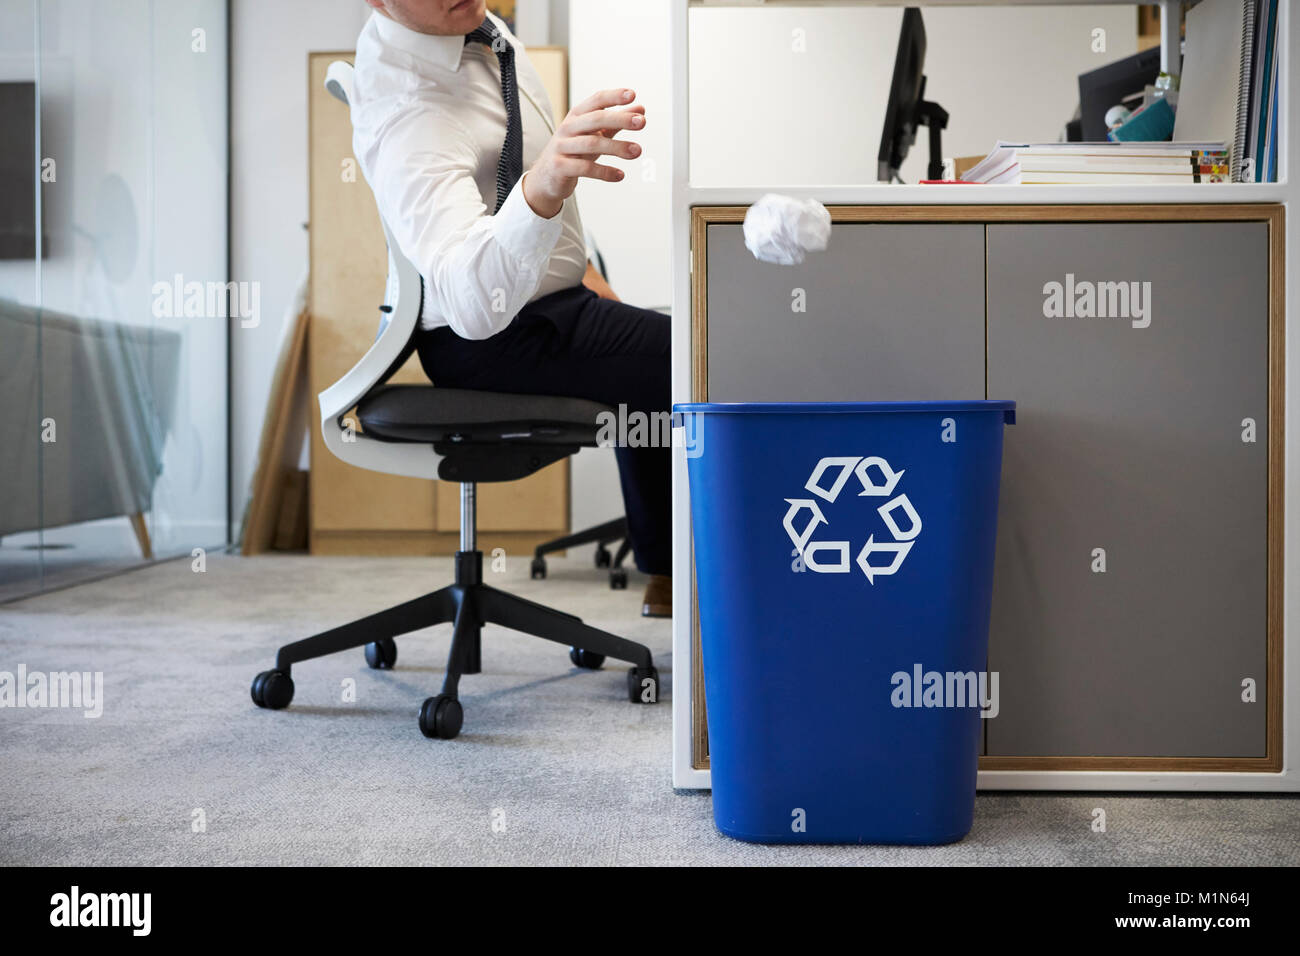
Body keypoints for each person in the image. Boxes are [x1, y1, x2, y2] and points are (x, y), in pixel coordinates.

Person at [352, 0, 671, 617]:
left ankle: (665, 567)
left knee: (658, 355)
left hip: (549, 301)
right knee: (688, 359)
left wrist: (588, 273)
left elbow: (511, 173)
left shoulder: (479, 29)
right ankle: (724, 577)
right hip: (488, 333)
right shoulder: (408, 112)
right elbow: (476, 305)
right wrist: (545, 184)